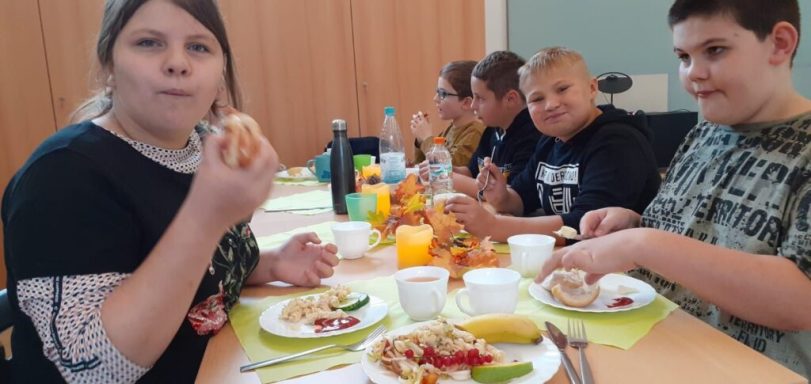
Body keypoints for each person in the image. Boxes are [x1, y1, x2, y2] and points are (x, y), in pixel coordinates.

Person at [1, 0, 339, 382]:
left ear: (220, 73)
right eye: (149, 43)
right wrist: (205, 215)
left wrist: (269, 264)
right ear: (108, 64)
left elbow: (202, 276)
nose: (178, 63)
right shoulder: (61, 176)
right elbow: (90, 369)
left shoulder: (202, 145)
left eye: (198, 47)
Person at [539, 0, 811, 377]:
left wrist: (643, 243)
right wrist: (631, 224)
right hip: (647, 349)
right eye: (684, 56)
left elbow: (800, 301)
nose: (693, 73)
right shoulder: (702, 135)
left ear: (780, 43)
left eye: (715, 50)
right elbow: (688, 239)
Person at [447, 47, 661, 242]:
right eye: (537, 99)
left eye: (562, 89)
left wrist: (493, 225)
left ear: (592, 88)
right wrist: (502, 196)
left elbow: (585, 227)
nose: (550, 104)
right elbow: (522, 197)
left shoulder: (618, 142)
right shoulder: (550, 140)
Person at [449, 51, 543, 198]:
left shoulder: (533, 136)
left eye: (480, 98)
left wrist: (449, 179)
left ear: (510, 99)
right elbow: (471, 172)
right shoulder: (493, 129)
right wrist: (444, 169)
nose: (473, 105)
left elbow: (510, 195)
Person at [410, 60, 485, 168]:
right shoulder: (451, 129)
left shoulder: (475, 133)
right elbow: (422, 166)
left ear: (466, 103)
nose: (435, 99)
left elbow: (447, 169)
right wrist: (420, 140)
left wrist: (426, 138)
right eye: (437, 92)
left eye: (443, 94)